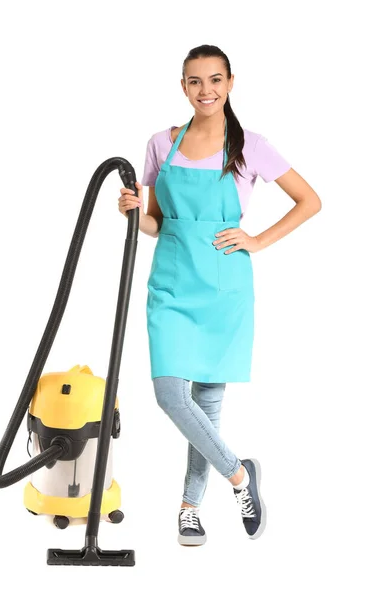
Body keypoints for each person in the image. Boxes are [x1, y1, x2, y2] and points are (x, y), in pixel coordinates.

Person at [118, 44, 321, 546]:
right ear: (182, 86)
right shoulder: (160, 144)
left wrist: (256, 240)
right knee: (171, 396)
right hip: (171, 284)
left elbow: (310, 200)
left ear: (230, 83)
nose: (205, 90)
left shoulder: (250, 145)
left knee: (205, 404)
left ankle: (189, 508)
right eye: (194, 81)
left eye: (214, 80)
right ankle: (241, 476)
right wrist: (131, 213)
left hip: (224, 289)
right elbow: (156, 223)